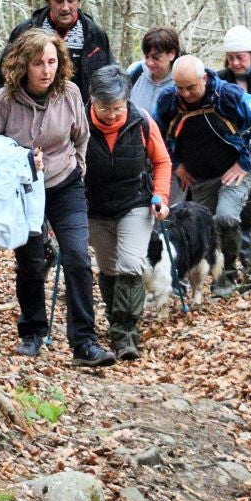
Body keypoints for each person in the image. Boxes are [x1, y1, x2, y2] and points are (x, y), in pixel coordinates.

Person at [0, 29, 117, 367]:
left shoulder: (69, 93)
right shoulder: (6, 100)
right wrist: (18, 159)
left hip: (65, 184)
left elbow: (81, 137)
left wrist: (76, 169)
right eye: (38, 63)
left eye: (52, 62)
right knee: (31, 262)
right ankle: (32, 332)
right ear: (23, 65)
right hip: (24, 192)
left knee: (79, 258)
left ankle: (84, 342)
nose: (46, 70)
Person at [83, 66, 172, 360]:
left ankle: (126, 334)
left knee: (130, 264)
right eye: (105, 107)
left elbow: (161, 162)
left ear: (127, 101)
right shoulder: (78, 123)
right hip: (94, 207)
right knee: (108, 268)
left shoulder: (142, 122)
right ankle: (115, 321)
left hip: (134, 202)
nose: (111, 114)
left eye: (117, 108)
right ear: (92, 100)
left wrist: (161, 195)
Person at [153, 55, 251, 296]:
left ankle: (227, 276)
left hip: (233, 173)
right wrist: (176, 163)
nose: (186, 94)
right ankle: (188, 278)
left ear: (204, 78)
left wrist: (244, 163)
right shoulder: (168, 101)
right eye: (180, 88)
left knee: (225, 219)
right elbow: (156, 134)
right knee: (197, 228)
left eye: (191, 87)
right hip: (198, 177)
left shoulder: (229, 96)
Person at [0, 0, 116, 105]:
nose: (65, 7)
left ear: (78, 1)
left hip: (80, 117)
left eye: (71, 0)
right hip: (32, 116)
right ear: (49, 1)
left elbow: (113, 81)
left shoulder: (95, 35)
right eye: (59, 0)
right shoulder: (26, 32)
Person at [219, 24, 251, 270]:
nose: (235, 63)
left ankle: (250, 260)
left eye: (241, 57)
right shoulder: (221, 80)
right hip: (230, 153)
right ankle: (232, 262)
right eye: (231, 58)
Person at [124, 27, 181, 115]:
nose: (149, 63)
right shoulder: (135, 72)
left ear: (172, 54)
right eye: (146, 57)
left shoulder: (181, 82)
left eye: (156, 58)